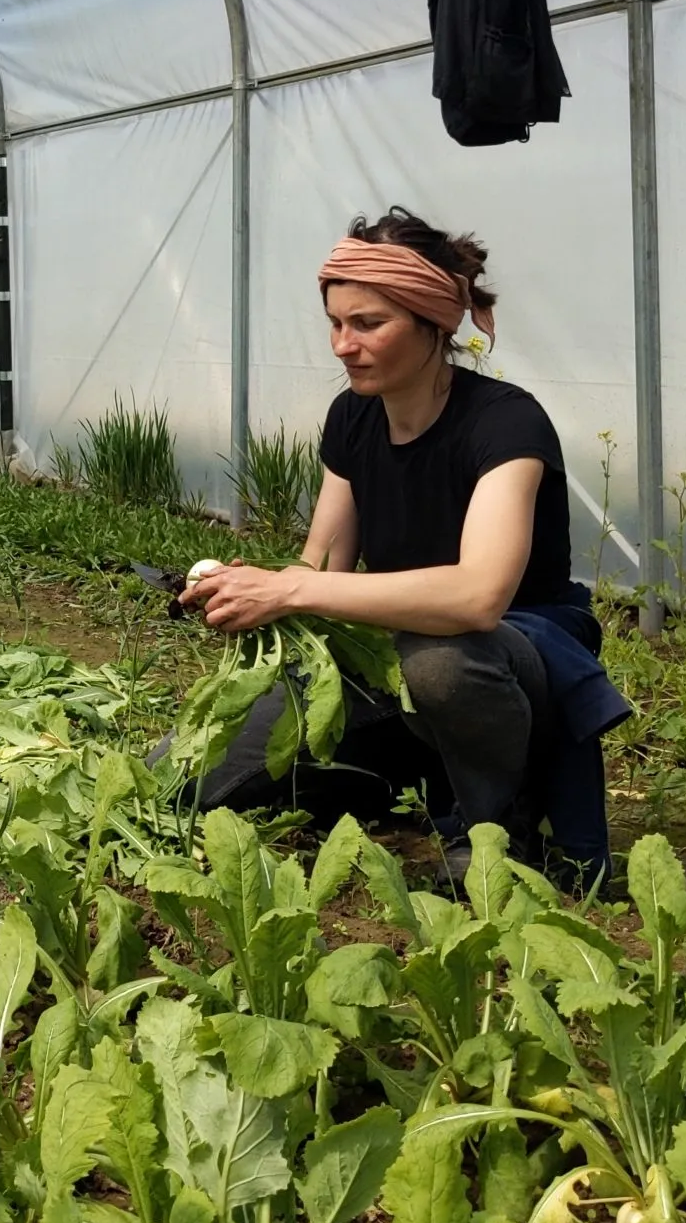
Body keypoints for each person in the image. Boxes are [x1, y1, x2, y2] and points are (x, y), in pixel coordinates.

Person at [174, 208, 626, 889]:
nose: (342, 346)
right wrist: (256, 590)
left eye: (368, 325)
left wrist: (291, 589)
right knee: (186, 787)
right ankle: (407, 773)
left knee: (441, 663)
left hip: (504, 657)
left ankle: (496, 830)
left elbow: (478, 597)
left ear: (433, 324)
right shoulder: (353, 418)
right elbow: (321, 567)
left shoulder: (505, 423)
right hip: (385, 650)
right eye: (335, 323)